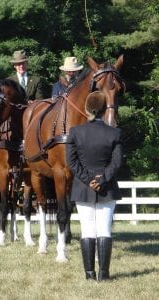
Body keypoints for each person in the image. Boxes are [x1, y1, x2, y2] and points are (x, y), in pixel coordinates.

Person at [66, 91, 123, 281]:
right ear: (105, 107)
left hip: (83, 187)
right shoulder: (115, 133)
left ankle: (89, 275)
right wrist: (101, 179)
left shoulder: (75, 132)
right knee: (104, 229)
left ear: (87, 108)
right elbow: (116, 163)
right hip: (107, 187)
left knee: (87, 229)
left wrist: (89, 179)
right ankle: (104, 275)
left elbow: (72, 163)